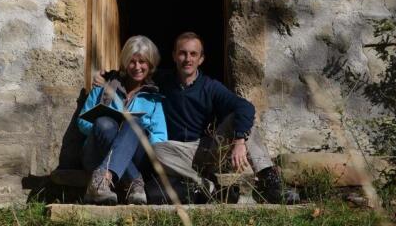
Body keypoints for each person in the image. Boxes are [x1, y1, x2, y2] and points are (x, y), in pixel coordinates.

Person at [96, 32, 299, 204]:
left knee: (243, 121)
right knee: (155, 149)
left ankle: (269, 181)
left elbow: (244, 106)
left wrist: (239, 141)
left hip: (207, 147)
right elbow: (135, 72)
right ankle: (206, 185)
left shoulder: (210, 87)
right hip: (173, 152)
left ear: (201, 59)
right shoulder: (162, 80)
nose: (188, 59)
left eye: (193, 54)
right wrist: (107, 77)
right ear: (174, 56)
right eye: (183, 53)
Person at [78, 35, 167, 205]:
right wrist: (106, 132)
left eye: (143, 62)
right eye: (132, 61)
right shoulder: (104, 86)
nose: (137, 67)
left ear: (151, 64)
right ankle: (134, 181)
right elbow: (82, 122)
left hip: (136, 158)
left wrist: (133, 138)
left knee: (135, 124)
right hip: (96, 153)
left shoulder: (154, 99)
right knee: (104, 123)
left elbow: (160, 138)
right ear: (125, 62)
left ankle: (101, 182)